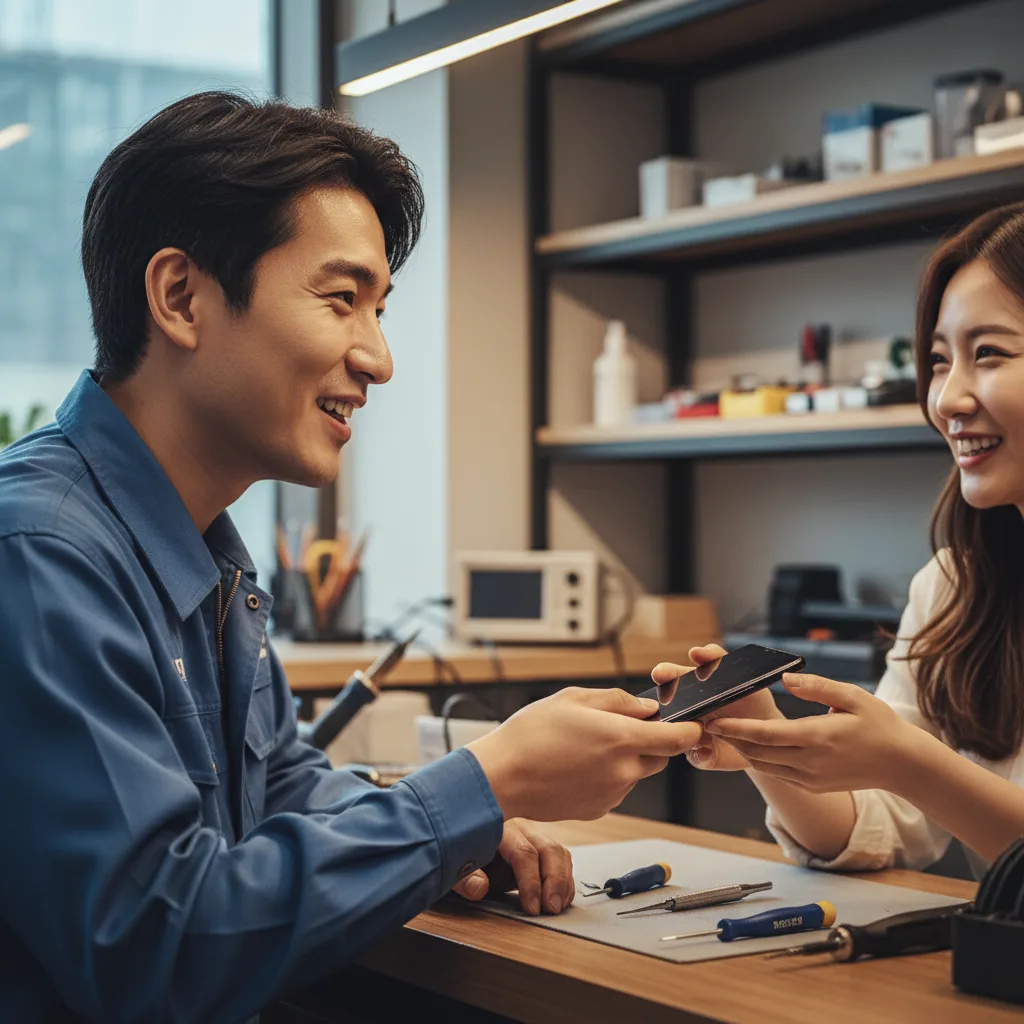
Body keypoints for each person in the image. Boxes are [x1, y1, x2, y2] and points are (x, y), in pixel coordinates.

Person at [0, 92, 703, 1023]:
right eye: (342, 300)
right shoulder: (40, 556)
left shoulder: (202, 555)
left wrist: (462, 821)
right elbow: (155, 947)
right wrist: (485, 782)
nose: (378, 357)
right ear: (179, 297)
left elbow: (283, 787)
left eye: (379, 309)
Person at [655, 201, 1024, 880]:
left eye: (990, 354)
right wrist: (764, 740)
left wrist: (909, 762)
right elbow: (881, 831)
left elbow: (912, 776)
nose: (948, 399)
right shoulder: (954, 587)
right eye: (940, 361)